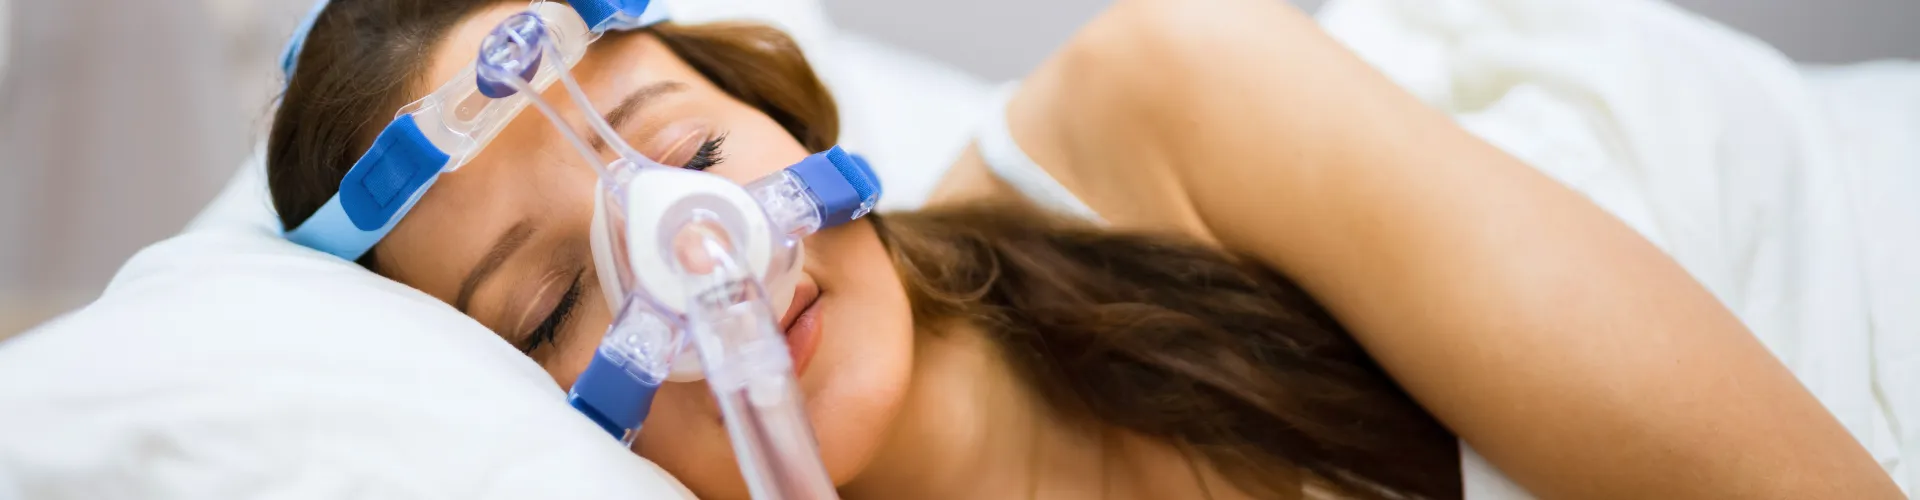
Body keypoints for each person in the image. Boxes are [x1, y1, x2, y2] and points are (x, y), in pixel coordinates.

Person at [266, 0, 1900, 498]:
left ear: (772, 107)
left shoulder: (1166, 103)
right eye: (556, 298)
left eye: (690, 154)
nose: (704, 255)